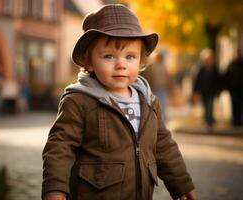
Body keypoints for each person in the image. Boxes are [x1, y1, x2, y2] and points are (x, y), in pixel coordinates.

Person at [42, 4, 195, 200]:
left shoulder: (148, 101)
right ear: (89, 62)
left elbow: (164, 146)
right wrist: (55, 188)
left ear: (140, 62)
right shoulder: (79, 101)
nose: (121, 64)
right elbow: (60, 147)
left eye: (130, 56)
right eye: (109, 56)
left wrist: (181, 183)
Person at [193, 48, 220, 128]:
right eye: (207, 59)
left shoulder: (214, 69)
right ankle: (208, 120)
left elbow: (218, 81)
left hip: (211, 91)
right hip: (203, 91)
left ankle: (209, 122)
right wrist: (195, 92)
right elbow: (197, 81)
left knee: (210, 105)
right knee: (205, 106)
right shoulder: (201, 69)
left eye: (210, 58)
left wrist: (218, 91)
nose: (209, 60)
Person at [141, 51, 170, 121]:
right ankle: (162, 120)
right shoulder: (165, 68)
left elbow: (147, 78)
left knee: (154, 105)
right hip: (162, 89)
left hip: (154, 89)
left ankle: (157, 120)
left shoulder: (152, 67)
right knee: (162, 105)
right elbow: (169, 79)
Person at [224, 48, 243, 126]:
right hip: (233, 89)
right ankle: (235, 121)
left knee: (240, 105)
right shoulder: (231, 65)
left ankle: (239, 121)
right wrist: (227, 86)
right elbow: (226, 77)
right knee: (234, 105)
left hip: (241, 89)